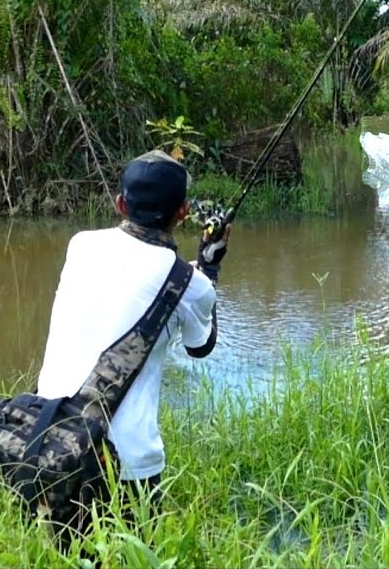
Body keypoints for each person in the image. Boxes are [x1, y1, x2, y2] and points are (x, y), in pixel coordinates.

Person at [32, 150, 229, 546]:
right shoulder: (192, 285)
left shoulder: (80, 245)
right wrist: (209, 266)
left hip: (56, 440)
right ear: (184, 212)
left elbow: (136, 274)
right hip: (127, 461)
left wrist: (195, 274)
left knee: (68, 554)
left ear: (120, 203)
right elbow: (201, 346)